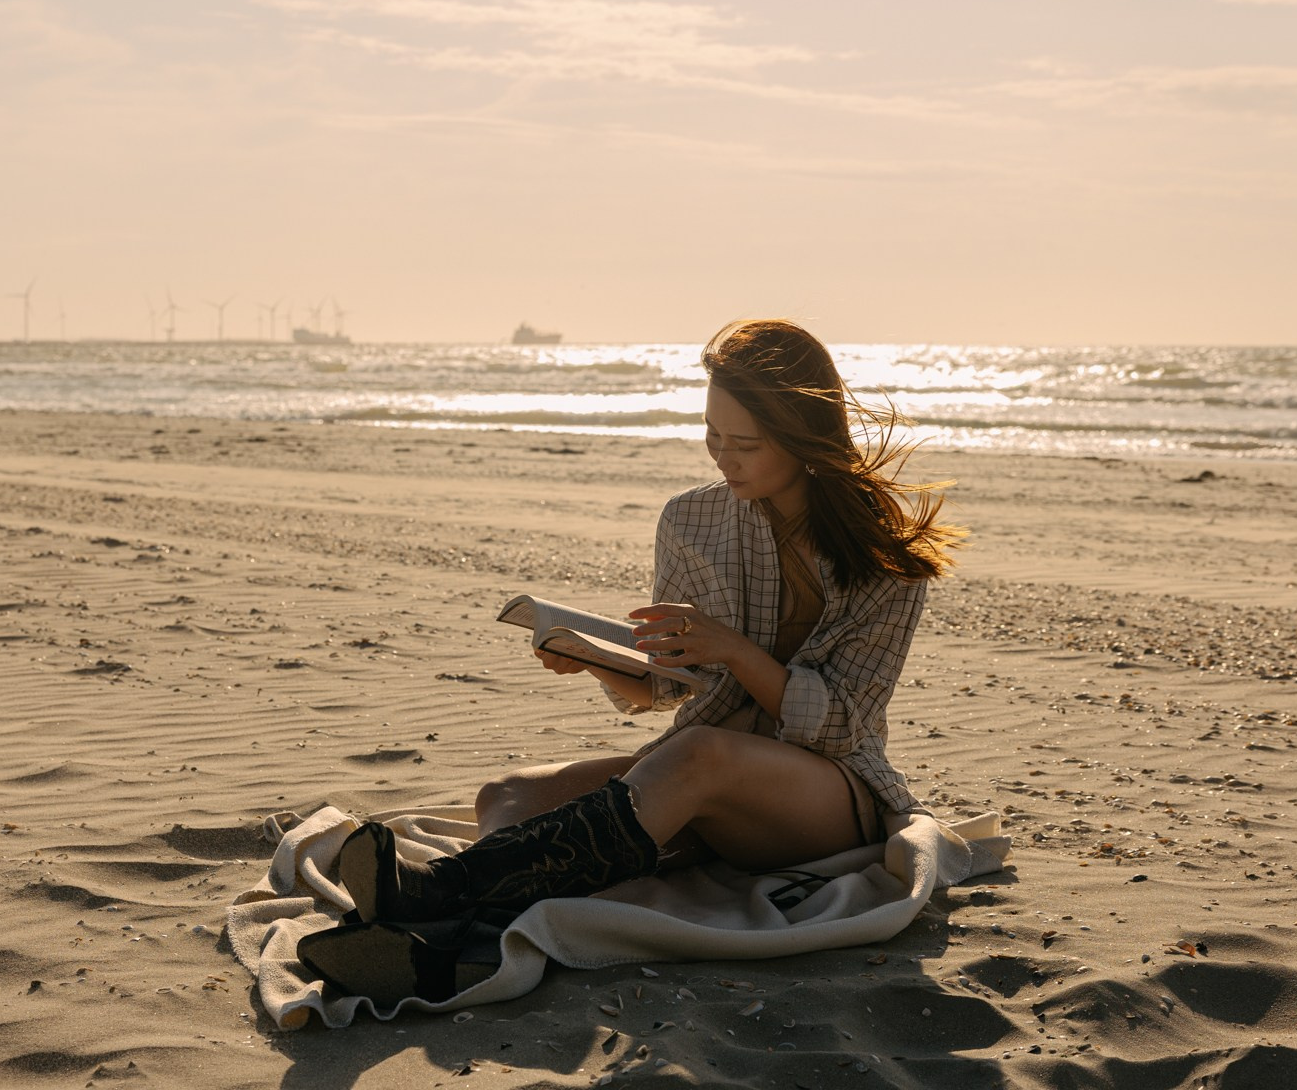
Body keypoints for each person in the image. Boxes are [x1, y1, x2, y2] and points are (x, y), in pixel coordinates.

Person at [301, 319, 966, 1003]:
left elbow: (841, 727)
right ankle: (451, 944)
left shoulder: (885, 553)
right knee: (507, 796)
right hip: (700, 778)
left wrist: (734, 651)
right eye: (713, 435)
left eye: (746, 444)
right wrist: (593, 660)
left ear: (803, 439)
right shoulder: (690, 521)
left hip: (827, 799)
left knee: (703, 753)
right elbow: (669, 687)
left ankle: (438, 893)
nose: (722, 458)